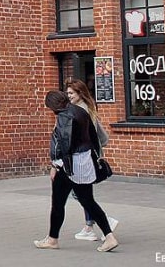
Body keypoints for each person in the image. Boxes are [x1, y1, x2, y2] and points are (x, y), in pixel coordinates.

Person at [34, 90, 118, 253]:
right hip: (85, 162)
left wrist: (55, 165)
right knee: (88, 201)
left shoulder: (64, 117)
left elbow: (62, 145)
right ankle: (109, 236)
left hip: (69, 166)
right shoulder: (80, 111)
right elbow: (93, 136)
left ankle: (52, 239)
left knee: (58, 204)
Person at [66, 79, 119, 241]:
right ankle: (89, 226)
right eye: (68, 93)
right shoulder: (87, 108)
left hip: (83, 157)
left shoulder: (79, 111)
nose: (69, 96)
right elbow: (101, 135)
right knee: (84, 193)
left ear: (80, 93)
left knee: (81, 193)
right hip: (87, 155)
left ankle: (104, 221)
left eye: (71, 93)